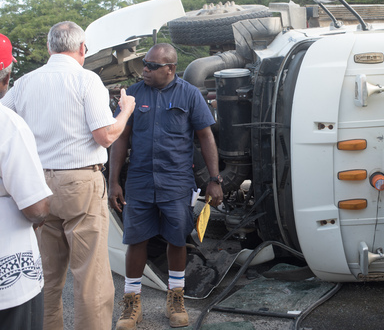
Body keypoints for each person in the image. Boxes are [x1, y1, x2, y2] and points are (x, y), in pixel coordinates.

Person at [0, 21, 136, 330]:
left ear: (49, 47)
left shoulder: (24, 82)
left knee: (47, 275)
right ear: (82, 48)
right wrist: (125, 110)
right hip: (79, 183)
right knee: (91, 276)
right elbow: (104, 136)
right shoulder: (87, 81)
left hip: (37, 185)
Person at [109, 43, 223, 329]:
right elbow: (120, 138)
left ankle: (176, 298)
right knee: (136, 241)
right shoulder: (133, 95)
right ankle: (131, 303)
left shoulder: (190, 95)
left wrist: (214, 179)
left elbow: (206, 137)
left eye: (151, 66)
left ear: (170, 68)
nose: (144, 70)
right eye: (144, 64)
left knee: (176, 239)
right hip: (140, 180)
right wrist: (113, 181)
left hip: (176, 181)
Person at [0, 34, 52, 330]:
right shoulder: (7, 124)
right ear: (6, 76)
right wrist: (41, 213)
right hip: (9, 279)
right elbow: (35, 208)